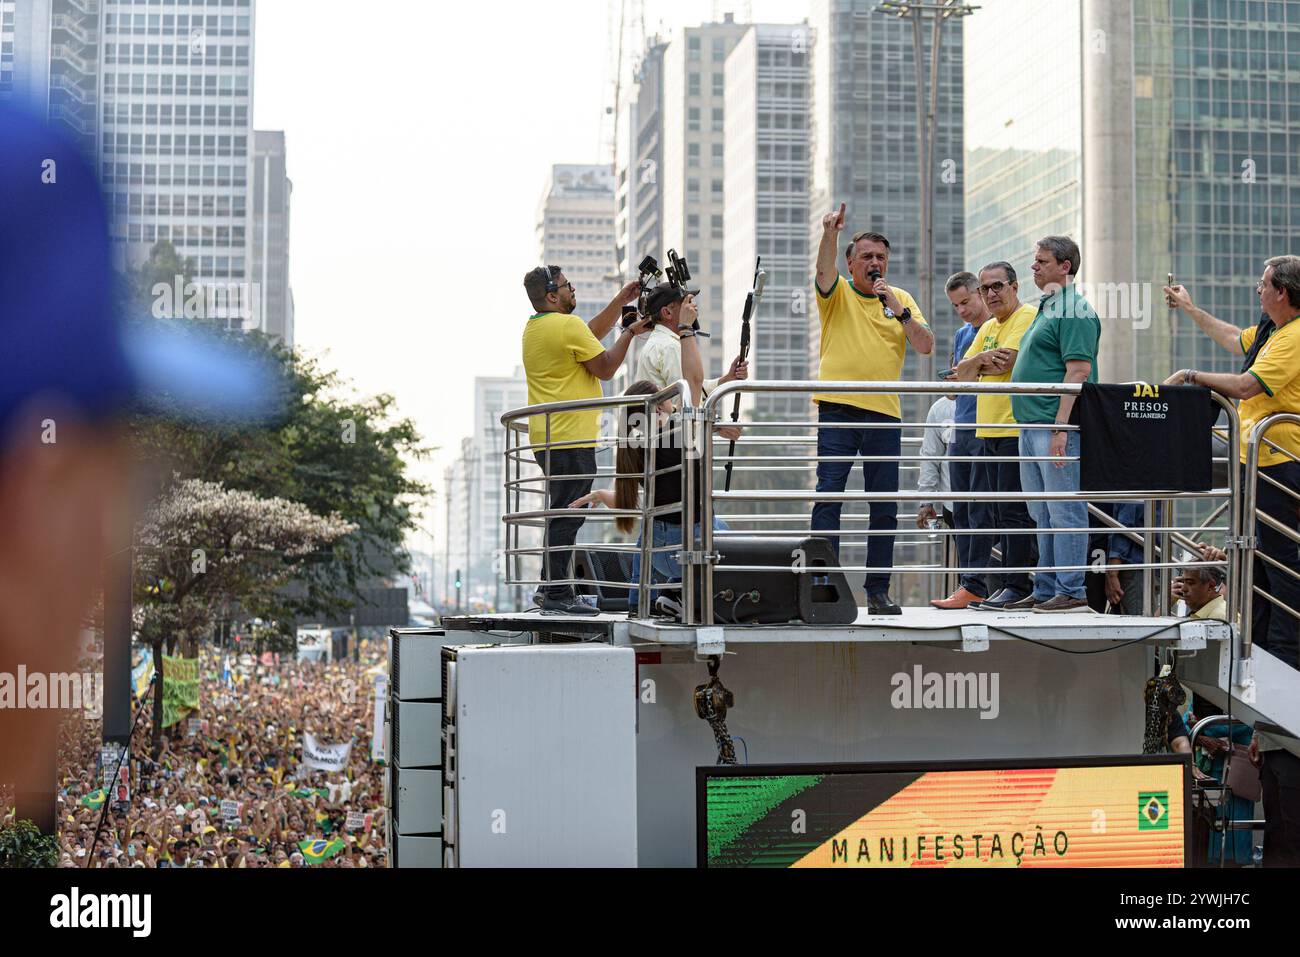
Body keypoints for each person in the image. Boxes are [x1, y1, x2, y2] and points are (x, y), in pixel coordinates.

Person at [1163, 256, 1300, 669]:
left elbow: (1244, 386)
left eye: (1263, 285)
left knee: (1279, 565)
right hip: (1254, 464)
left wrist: (1190, 375)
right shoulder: (1271, 333)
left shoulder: (1295, 336)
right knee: (1252, 563)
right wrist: (1190, 309)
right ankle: (1257, 651)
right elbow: (1231, 338)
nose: (1257, 290)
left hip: (1278, 466)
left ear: (1282, 292)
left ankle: (1284, 659)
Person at [812, 204, 934, 614]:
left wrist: (897, 309)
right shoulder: (838, 293)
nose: (875, 263)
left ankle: (878, 591)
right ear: (851, 263)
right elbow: (824, 270)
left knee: (884, 504)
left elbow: (925, 345)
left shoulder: (901, 300)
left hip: (885, 415)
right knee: (830, 496)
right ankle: (822, 587)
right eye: (867, 256)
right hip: (838, 411)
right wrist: (830, 232)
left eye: (881, 257)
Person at [521, 265, 649, 614]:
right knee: (569, 514)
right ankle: (559, 595)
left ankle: (550, 587)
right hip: (570, 438)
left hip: (548, 436)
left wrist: (621, 300)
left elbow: (588, 334)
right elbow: (606, 367)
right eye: (567, 286)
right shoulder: (566, 326)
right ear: (552, 295)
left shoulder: (538, 328)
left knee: (562, 510)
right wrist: (629, 334)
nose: (572, 290)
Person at [569, 380, 724, 618]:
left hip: (658, 556)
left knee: (652, 520)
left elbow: (629, 501)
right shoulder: (684, 435)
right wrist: (718, 426)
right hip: (688, 553)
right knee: (735, 543)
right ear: (659, 406)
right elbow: (695, 379)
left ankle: (639, 602)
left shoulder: (636, 447)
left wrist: (601, 494)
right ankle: (675, 592)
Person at [1007, 236, 1101, 613]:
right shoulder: (1048, 307)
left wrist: (1062, 428)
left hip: (1054, 426)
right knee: (1041, 511)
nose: (1034, 267)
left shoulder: (1075, 310)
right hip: (1032, 425)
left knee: (1064, 509)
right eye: (1034, 261)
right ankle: (1047, 588)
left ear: (1065, 266)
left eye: (1042, 261)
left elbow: (1078, 370)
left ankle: (1072, 590)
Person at [956, 262, 1040, 610]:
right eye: (985, 288)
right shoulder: (988, 325)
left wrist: (980, 362)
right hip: (985, 429)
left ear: (1015, 286)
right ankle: (1009, 584)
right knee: (993, 511)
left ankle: (1017, 585)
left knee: (1014, 512)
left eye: (998, 287)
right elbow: (961, 375)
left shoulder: (1027, 317)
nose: (991, 294)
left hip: (1012, 427)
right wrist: (979, 362)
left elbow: (1008, 363)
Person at [932, 272, 994, 609]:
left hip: (987, 426)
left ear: (979, 294)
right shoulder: (960, 334)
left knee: (981, 510)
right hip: (961, 424)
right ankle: (968, 583)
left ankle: (976, 584)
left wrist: (974, 370)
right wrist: (955, 380)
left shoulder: (996, 328)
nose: (962, 311)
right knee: (961, 511)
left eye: (966, 302)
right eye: (956, 306)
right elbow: (956, 391)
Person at [635, 285, 748, 406]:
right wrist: (686, 327)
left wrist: (726, 380)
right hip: (673, 423)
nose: (693, 306)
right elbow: (689, 391)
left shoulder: (662, 342)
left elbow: (695, 387)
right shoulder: (668, 346)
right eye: (686, 303)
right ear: (667, 312)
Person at [916, 393, 956, 540]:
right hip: (954, 504)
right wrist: (926, 501)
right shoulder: (940, 408)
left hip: (993, 503)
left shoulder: (991, 401)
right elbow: (930, 456)